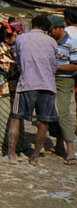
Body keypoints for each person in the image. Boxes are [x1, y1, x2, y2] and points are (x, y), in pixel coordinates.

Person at [5, 15, 58, 165]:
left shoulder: (21, 39)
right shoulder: (52, 41)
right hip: (47, 86)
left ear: (31, 24)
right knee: (42, 123)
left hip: (26, 84)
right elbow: (54, 66)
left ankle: (11, 155)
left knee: (16, 119)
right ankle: (34, 157)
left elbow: (19, 60)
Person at [0, 23, 26, 155]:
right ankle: (4, 145)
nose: (16, 37)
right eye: (13, 35)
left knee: (15, 118)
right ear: (6, 38)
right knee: (5, 118)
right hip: (1, 89)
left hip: (10, 88)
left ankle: (18, 145)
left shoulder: (9, 48)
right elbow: (10, 70)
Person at [46, 15, 77, 165]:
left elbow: (75, 66)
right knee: (52, 112)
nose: (49, 33)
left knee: (63, 113)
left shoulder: (72, 43)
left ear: (59, 28)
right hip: (50, 80)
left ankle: (70, 149)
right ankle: (58, 145)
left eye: (51, 30)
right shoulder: (51, 42)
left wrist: (56, 67)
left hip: (65, 80)